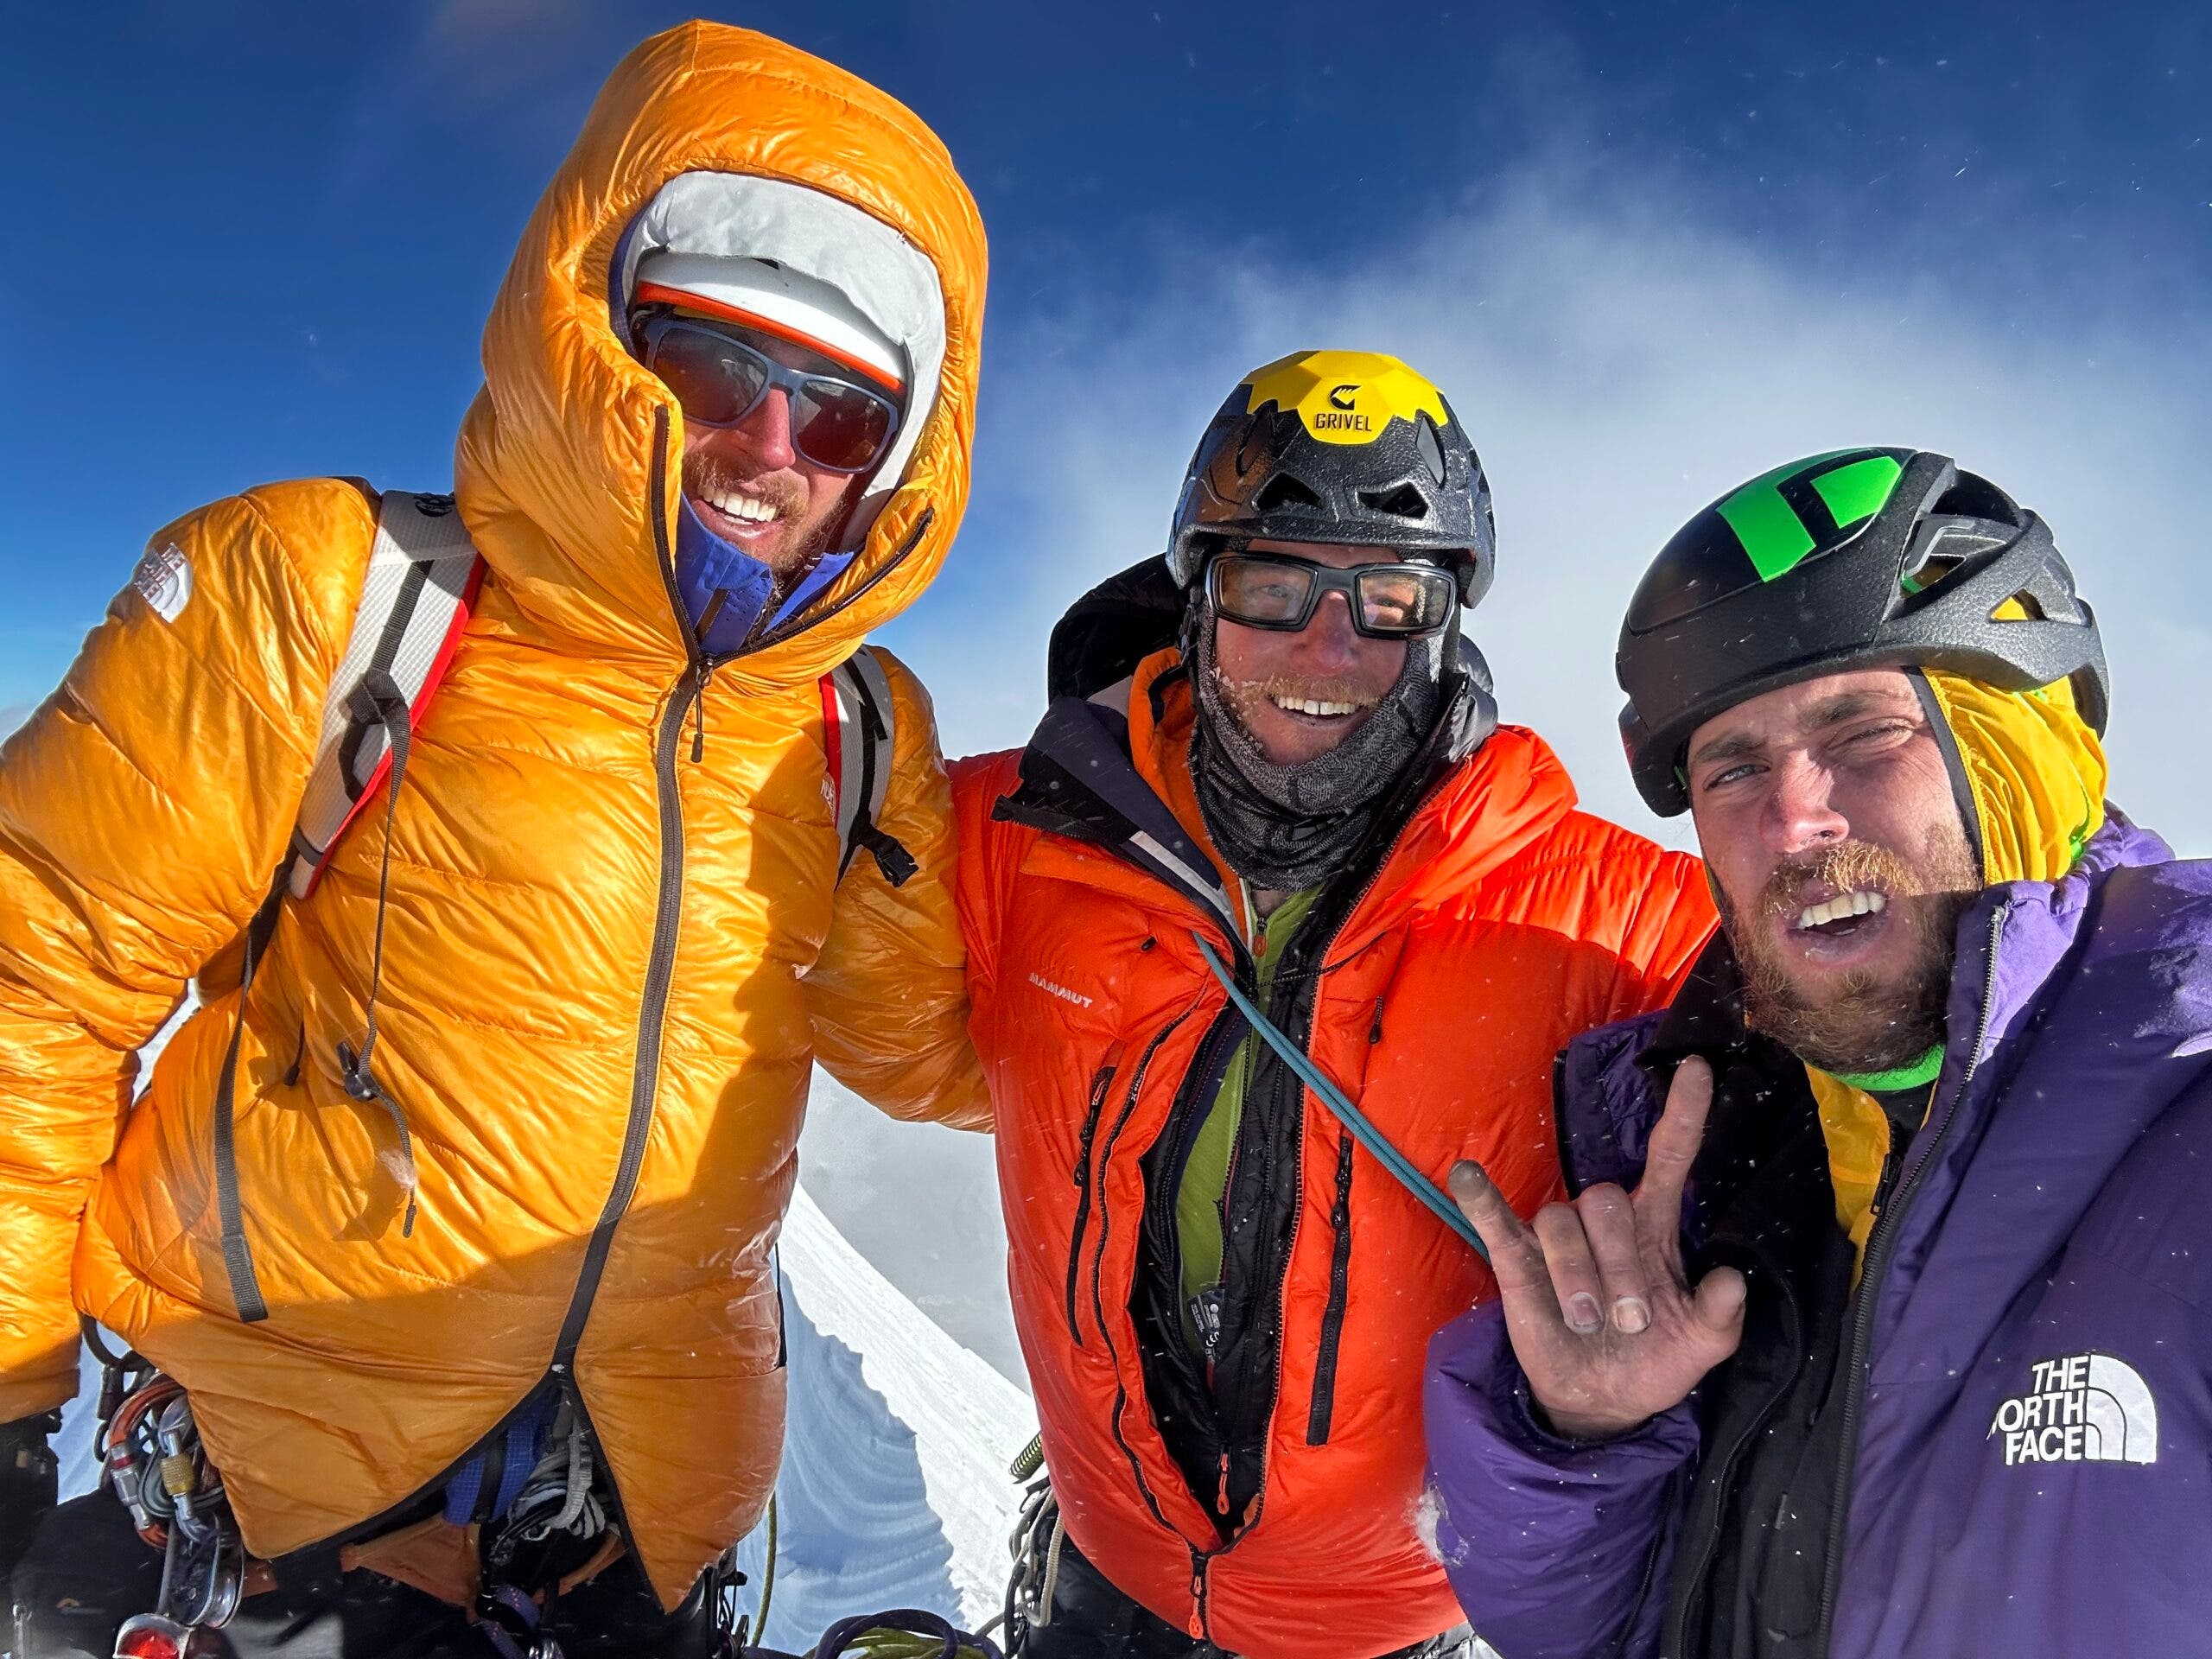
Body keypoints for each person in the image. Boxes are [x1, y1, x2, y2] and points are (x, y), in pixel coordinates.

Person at [2, 22, 988, 1657]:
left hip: (640, 1515)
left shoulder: (858, 732)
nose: (767, 447)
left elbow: (936, 1054)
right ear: (600, 336)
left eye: (841, 418)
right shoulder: (329, 590)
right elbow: (36, 972)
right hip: (281, 1476)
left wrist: (1153, 811)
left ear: (898, 466)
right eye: (716, 364)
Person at [953, 351, 1716, 1659]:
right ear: (1196, 595)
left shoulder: (1612, 923)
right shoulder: (1016, 835)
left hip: (1391, 1616)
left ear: (1444, 622)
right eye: (1275, 584)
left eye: (1388, 598)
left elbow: (1895, 1038)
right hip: (1112, 1566)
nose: (1328, 645)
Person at [1425, 448, 2210, 1657]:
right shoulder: (1701, 1152)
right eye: (1732, 770)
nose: (1796, 820)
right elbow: (1599, 1636)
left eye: (1863, 731)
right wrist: (1585, 1438)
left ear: (2014, 754)